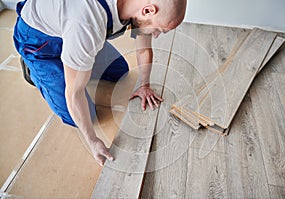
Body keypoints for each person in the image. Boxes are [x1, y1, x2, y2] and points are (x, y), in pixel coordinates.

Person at [13, 0, 187, 166]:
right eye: (159, 30)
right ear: (148, 10)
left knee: (120, 70)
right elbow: (74, 94)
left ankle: (74, 56)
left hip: (71, 28)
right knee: (84, 115)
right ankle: (33, 69)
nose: (155, 35)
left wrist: (145, 85)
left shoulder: (140, 5)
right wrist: (93, 140)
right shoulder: (87, 23)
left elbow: (143, 47)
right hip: (39, 43)